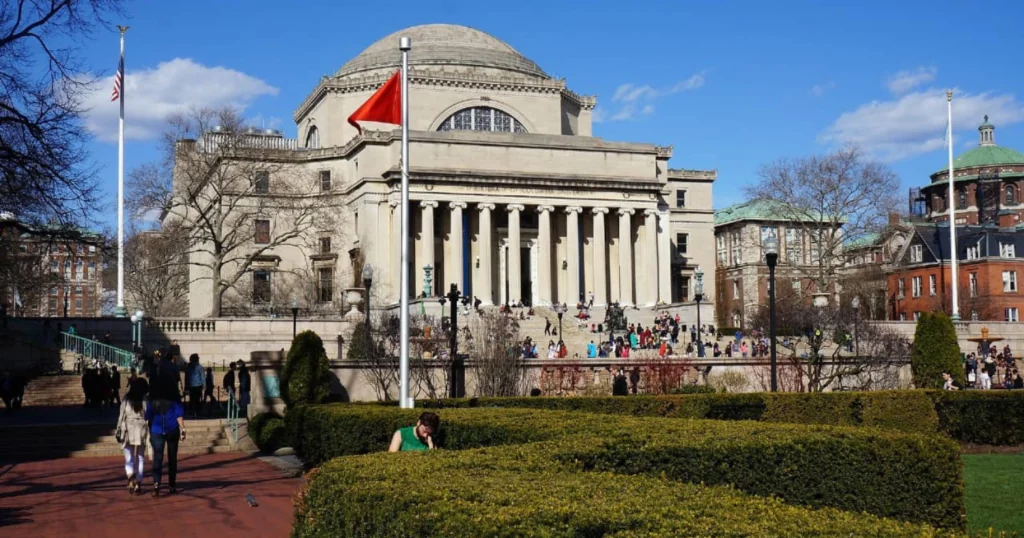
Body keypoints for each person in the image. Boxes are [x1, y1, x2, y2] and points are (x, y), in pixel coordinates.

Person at [147, 396, 185, 497]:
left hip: (158, 429)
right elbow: (179, 415)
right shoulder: (174, 397)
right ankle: (171, 484)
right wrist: (183, 428)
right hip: (170, 428)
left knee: (158, 458)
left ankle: (157, 484)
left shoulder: (153, 398)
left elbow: (148, 416)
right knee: (171, 458)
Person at [117, 383, 149, 495]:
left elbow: (121, 415)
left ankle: (130, 477)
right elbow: (147, 413)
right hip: (141, 427)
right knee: (140, 457)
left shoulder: (126, 398)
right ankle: (139, 481)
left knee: (129, 457)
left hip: (128, 428)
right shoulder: (144, 399)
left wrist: (118, 428)